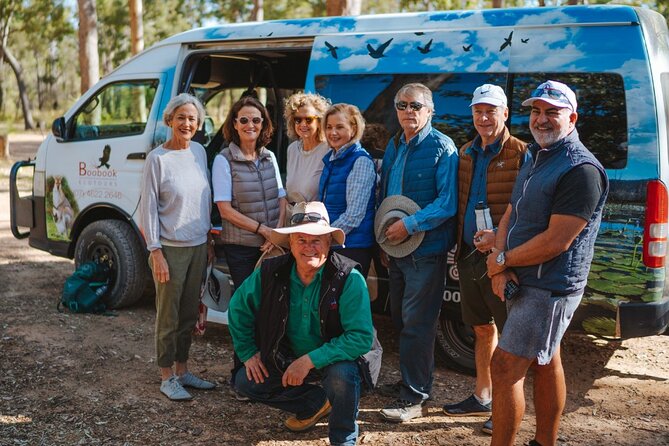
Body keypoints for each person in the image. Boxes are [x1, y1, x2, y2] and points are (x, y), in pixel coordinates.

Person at [485, 80, 608, 446]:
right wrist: (501, 262)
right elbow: (512, 210)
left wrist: (501, 260)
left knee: (504, 368)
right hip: (523, 275)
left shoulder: (581, 170)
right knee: (545, 359)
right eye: (536, 111)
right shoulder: (538, 155)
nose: (541, 119)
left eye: (551, 112)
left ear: (572, 117)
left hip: (549, 285)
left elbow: (557, 242)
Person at [228, 201, 374, 446]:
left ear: (329, 243)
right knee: (246, 381)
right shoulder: (270, 271)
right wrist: (247, 352)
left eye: (316, 240)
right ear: (291, 244)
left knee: (342, 376)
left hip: (333, 358)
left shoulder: (349, 278)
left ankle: (344, 437)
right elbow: (238, 308)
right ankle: (314, 402)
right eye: (301, 240)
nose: (309, 247)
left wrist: (307, 362)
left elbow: (360, 337)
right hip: (286, 354)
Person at [442, 84, 528, 435]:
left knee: (511, 338)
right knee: (480, 329)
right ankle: (482, 395)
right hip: (469, 257)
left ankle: (506, 407)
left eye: (491, 110)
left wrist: (502, 247)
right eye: (479, 110)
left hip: (503, 259)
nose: (484, 117)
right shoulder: (464, 152)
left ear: (505, 114)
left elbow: (527, 210)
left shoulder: (523, 153)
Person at [377, 82, 459, 422]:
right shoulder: (395, 145)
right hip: (395, 250)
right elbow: (386, 196)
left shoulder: (443, 146)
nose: (408, 111)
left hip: (425, 250)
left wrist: (408, 226)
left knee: (418, 325)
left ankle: (414, 397)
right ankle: (412, 382)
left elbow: (447, 202)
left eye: (416, 105)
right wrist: (385, 240)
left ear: (430, 111)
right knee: (400, 320)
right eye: (402, 105)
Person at [139, 93, 217, 400]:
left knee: (188, 313)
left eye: (193, 119)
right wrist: (155, 251)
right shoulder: (157, 159)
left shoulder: (198, 151)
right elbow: (148, 209)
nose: (187, 123)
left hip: (198, 245)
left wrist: (209, 239)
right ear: (170, 120)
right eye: (181, 117)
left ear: (199, 124)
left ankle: (183, 370)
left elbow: (203, 199)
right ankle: (166, 375)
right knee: (168, 315)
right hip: (169, 249)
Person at [212, 96, 287, 289]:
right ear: (235, 124)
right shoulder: (223, 160)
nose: (250, 125)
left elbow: (281, 198)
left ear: (263, 123)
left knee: (272, 301)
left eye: (256, 120)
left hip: (271, 245)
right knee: (247, 304)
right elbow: (225, 211)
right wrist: (264, 230)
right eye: (244, 120)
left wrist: (275, 235)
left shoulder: (269, 156)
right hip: (240, 249)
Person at [319, 103, 377, 277]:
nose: (332, 133)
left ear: (353, 128)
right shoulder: (332, 158)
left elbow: (354, 216)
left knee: (345, 303)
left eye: (339, 127)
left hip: (351, 247)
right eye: (328, 127)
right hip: (335, 243)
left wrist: (323, 237)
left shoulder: (360, 161)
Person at [284, 92, 331, 202]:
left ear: (319, 122)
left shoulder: (329, 150)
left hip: (316, 216)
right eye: (298, 120)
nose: (303, 124)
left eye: (309, 119)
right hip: (293, 215)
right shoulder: (292, 149)